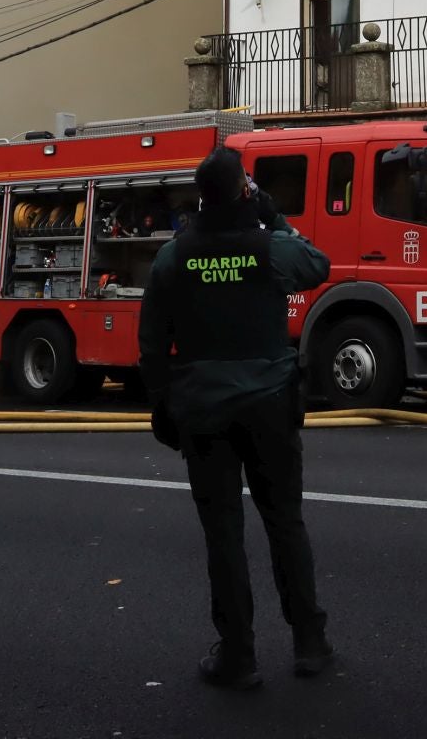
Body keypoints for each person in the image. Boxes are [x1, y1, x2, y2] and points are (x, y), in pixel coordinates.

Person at [139, 147, 334, 690]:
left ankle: (239, 654)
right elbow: (317, 265)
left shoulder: (174, 256)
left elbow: (153, 343)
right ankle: (309, 642)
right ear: (244, 192)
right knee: (284, 521)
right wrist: (273, 215)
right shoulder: (269, 246)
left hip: (202, 410)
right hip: (270, 404)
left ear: (203, 197)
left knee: (222, 533)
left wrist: (161, 404)